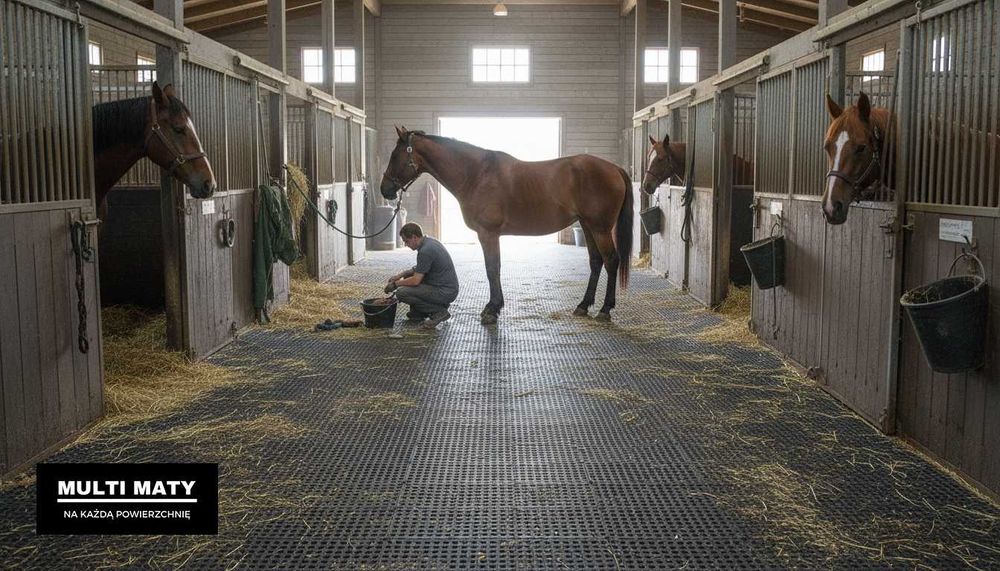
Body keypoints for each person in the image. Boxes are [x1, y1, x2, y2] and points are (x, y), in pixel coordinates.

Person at [385, 222, 459, 329]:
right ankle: (418, 313)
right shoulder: (429, 242)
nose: (406, 244)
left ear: (414, 237)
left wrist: (395, 284)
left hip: (445, 291)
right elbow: (421, 267)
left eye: (406, 241)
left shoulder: (426, 251)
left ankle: (439, 312)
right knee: (407, 278)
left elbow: (416, 280)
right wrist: (400, 275)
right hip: (445, 287)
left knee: (401, 293)